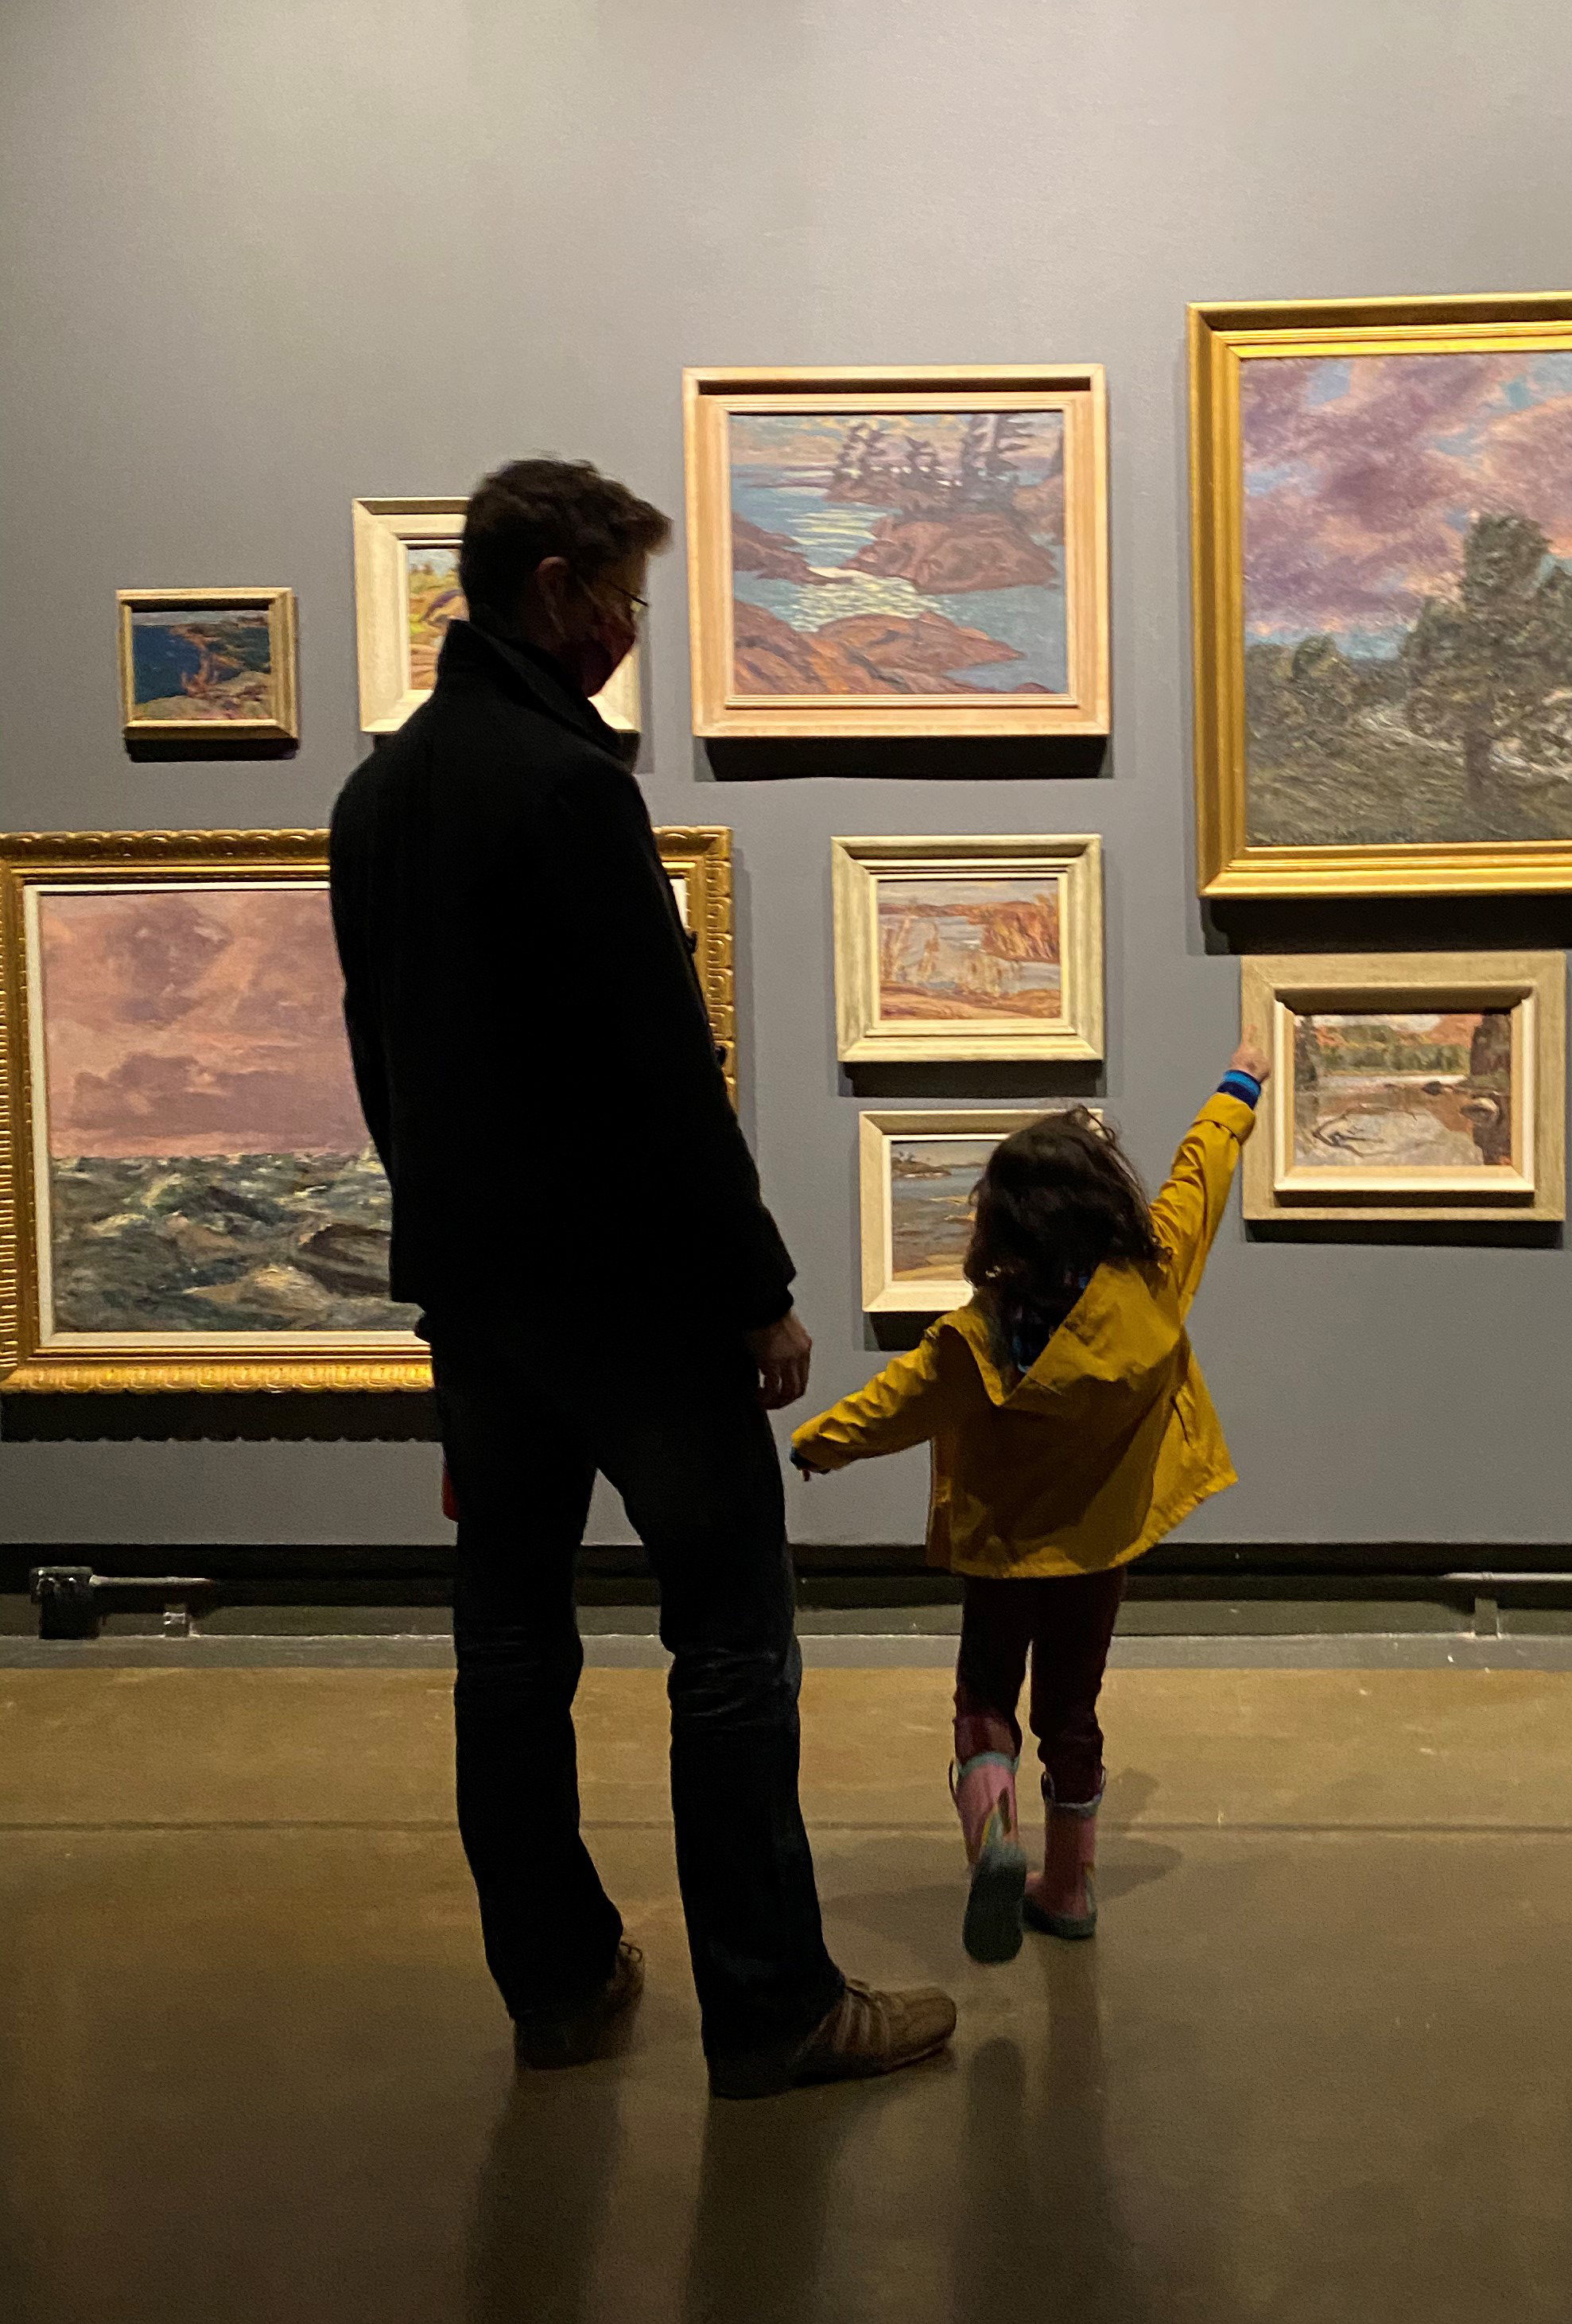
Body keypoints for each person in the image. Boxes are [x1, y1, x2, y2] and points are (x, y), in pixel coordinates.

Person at [328, 457, 954, 2097]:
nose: (625, 632)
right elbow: (662, 1075)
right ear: (553, 592)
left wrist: (456, 1240)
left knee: (511, 1642)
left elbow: (378, 1069)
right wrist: (758, 1286)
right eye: (619, 600)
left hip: (480, 1305)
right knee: (731, 1638)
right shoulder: (564, 786)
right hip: (636, 1302)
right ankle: (771, 2005)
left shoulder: (376, 801)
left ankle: (556, 1979)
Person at [787, 1050, 1267, 1964]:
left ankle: (994, 1839)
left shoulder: (979, 1337)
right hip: (1100, 1550)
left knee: (985, 1699)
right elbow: (1200, 1176)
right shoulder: (1154, 1280)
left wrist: (821, 1444)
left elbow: (895, 1404)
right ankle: (1070, 1886)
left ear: (999, 1223)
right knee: (1073, 1715)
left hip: (1004, 1552)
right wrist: (1236, 1088)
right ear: (1106, 1204)